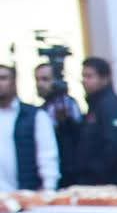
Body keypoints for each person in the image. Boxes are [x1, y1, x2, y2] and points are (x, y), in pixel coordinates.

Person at [0, 64, 59, 192]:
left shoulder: (35, 116)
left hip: (26, 194)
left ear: (14, 82)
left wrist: (48, 188)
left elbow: (47, 155)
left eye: (3, 78)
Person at [75, 57, 117, 186]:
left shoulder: (110, 105)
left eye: (89, 76)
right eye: (83, 76)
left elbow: (115, 143)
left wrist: (95, 170)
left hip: (106, 179)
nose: (84, 81)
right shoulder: (95, 104)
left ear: (104, 79)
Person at [35, 62, 81, 186]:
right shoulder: (42, 109)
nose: (40, 84)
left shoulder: (68, 104)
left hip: (69, 172)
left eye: (45, 79)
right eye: (37, 79)